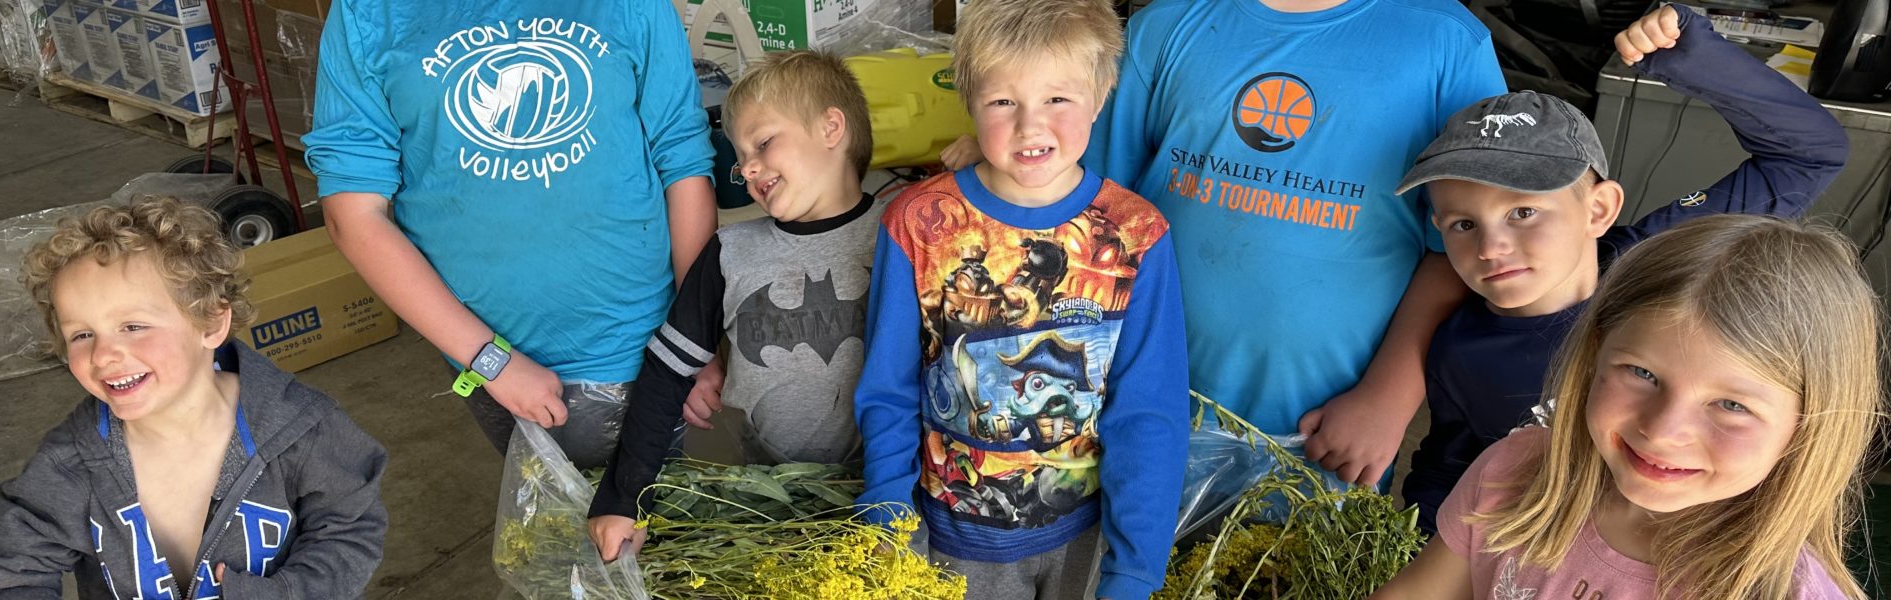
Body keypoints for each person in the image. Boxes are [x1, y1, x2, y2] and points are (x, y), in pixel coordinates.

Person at [948, 0, 1509, 487]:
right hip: (1139, 402)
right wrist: (1000, 164)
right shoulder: (1167, 24)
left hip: (1328, 427)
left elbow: (1466, 245)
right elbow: (1087, 201)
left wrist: (1388, 397)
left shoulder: (1445, 43)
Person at [1394, 4, 1847, 532]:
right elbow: (1450, 468)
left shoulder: (1660, 261)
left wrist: (1693, 56)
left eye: (1523, 212)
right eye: (1464, 224)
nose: (1491, 246)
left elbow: (1809, 155)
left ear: (1599, 209)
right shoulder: (1459, 349)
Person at [857, 1, 1191, 598]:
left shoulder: (1138, 234)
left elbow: (1149, 412)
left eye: (1057, 98)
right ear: (969, 100)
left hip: (1084, 535)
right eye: (1003, 102)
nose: (1030, 126)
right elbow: (889, 388)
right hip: (951, 535)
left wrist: (1136, 568)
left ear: (1101, 94)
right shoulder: (916, 224)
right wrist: (887, 513)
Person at [304, 0, 723, 464]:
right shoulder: (369, 11)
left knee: (657, 503)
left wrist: (694, 339)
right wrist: (491, 360)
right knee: (546, 506)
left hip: (644, 340)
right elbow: (353, 215)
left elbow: (683, 160)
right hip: (485, 348)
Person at [1374, 215, 1878, 599]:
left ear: (1812, 423)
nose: (1662, 430)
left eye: (1731, 404)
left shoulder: (1786, 591)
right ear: (1595, 352)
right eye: (1642, 374)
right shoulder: (1515, 472)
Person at [0, 199, 388, 597]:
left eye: (133, 326)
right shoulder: (69, 466)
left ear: (210, 324)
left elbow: (349, 527)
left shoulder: (299, 428)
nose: (102, 355)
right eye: (82, 334)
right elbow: (6, 569)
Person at [586, 49, 883, 560]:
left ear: (831, 128)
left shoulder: (908, 230)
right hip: (766, 492)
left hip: (886, 486)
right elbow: (665, 374)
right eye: (740, 155)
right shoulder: (731, 253)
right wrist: (625, 496)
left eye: (763, 143)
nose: (746, 168)